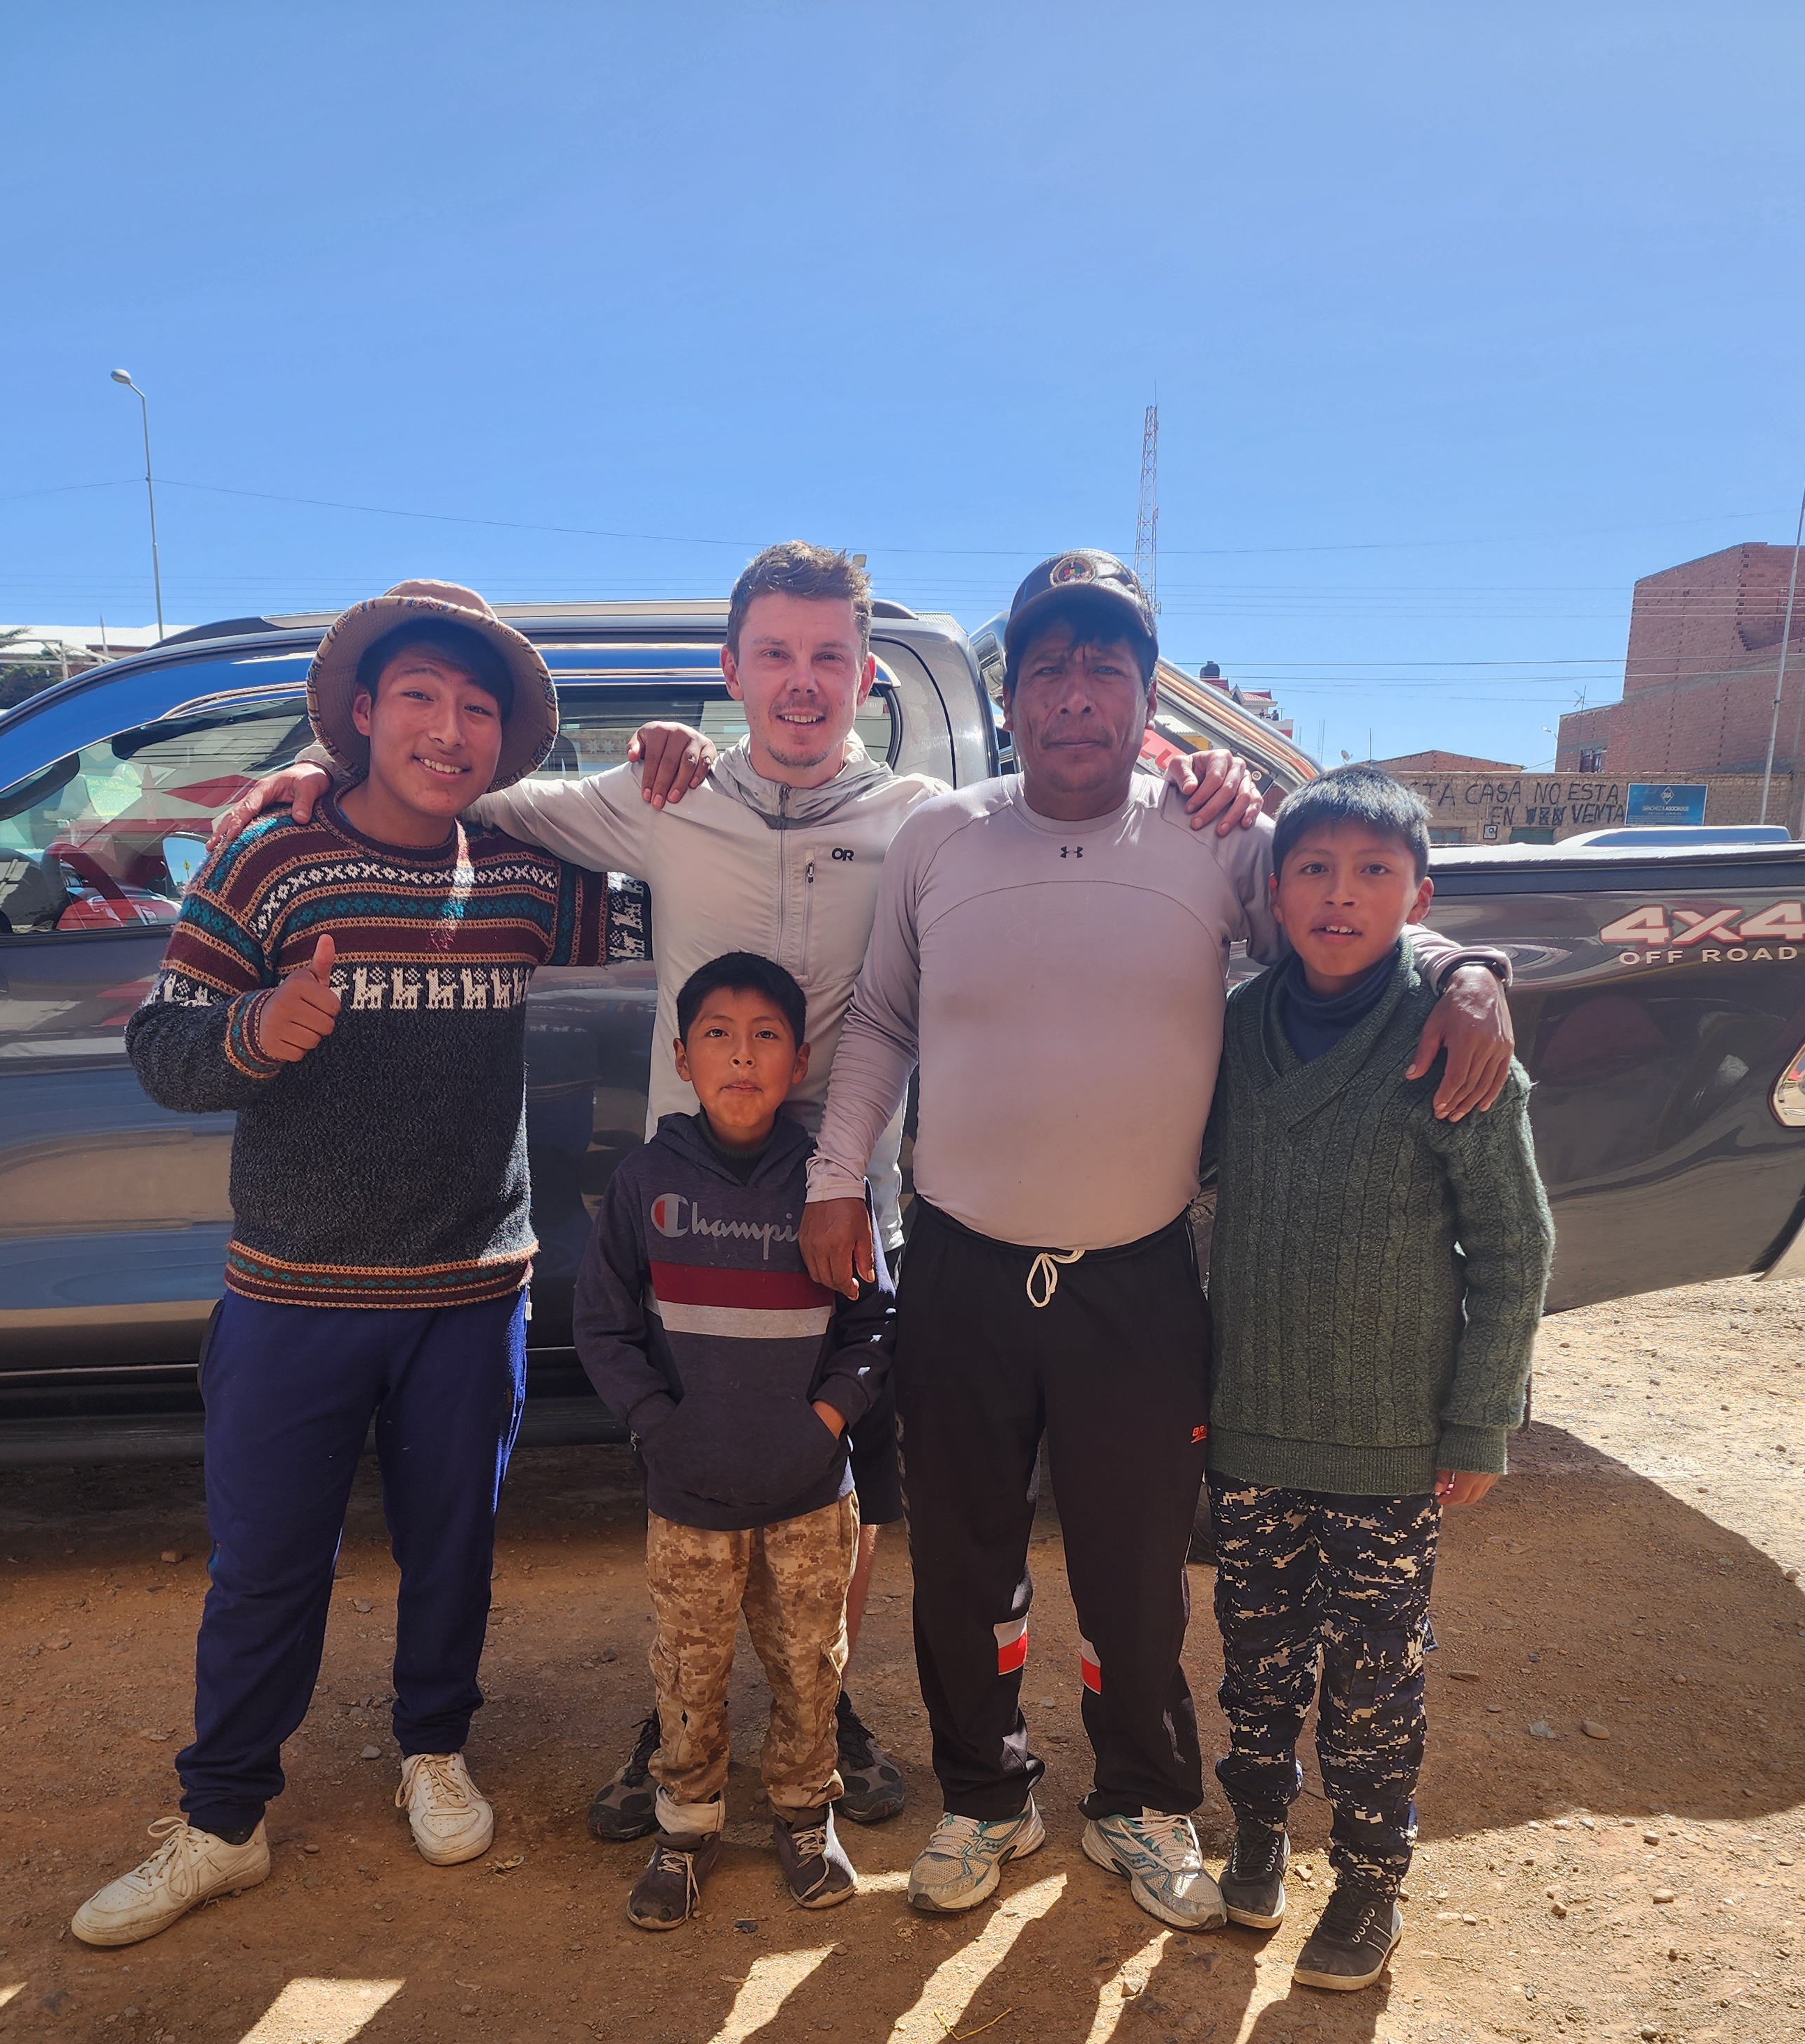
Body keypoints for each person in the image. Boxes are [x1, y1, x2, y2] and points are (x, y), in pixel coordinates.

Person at [205, 541, 1261, 1839]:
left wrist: (1201, 771)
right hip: (691, 1216)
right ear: (731, 670)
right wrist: (327, 774)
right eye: (774, 654)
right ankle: (681, 1715)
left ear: (867, 678)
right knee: (690, 1467)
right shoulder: (664, 795)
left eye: (828, 656)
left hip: (846, 1208)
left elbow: (1052, 856)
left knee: (841, 1472)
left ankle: (830, 1706)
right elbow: (474, 795)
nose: (801, 682)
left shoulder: (927, 817)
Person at [800, 550, 1516, 1932]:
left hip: (1134, 1278)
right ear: (1013, 695)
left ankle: (1137, 1795)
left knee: (1132, 1573)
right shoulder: (941, 837)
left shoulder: (1214, 836)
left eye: (1106, 669)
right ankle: (985, 1794)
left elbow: (1347, 921)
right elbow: (883, 1015)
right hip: (959, 1265)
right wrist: (839, 1175)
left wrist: (1465, 969)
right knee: (962, 1562)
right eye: (1049, 668)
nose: (1076, 694)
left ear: (1144, 698)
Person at [70, 582, 611, 1948]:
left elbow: (674, 912)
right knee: (264, 1566)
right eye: (419, 697)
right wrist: (257, 1028)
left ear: (503, 740)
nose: (448, 729)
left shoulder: (533, 874)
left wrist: (675, 761)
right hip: (293, 1292)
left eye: (477, 708)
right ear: (362, 713)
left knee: (453, 1551)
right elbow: (163, 1050)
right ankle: (222, 1818)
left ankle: (434, 1749)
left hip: (472, 1292)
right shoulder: (269, 857)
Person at [1200, 769, 1553, 1986]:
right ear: (1274, 892)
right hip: (1252, 1424)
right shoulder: (1237, 1028)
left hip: (1391, 1442)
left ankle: (1366, 1879)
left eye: (1373, 874)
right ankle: (1256, 1830)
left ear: (1419, 897)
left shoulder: (1453, 1041)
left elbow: (1514, 1246)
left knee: (1373, 1679)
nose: (1339, 897)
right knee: (1255, 1658)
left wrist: (1480, 1422)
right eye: (1314, 870)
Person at [572, 953, 893, 1925]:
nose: (742, 1057)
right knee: (689, 1670)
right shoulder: (645, 1182)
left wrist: (825, 1422)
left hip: (811, 1497)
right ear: (683, 1058)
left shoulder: (828, 1188)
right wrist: (659, 1428)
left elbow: (875, 1325)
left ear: (800, 1062)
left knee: (811, 1667)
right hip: (690, 1499)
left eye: (766, 1037)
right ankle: (687, 1826)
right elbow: (604, 1328)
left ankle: (803, 1816)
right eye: (718, 1034)